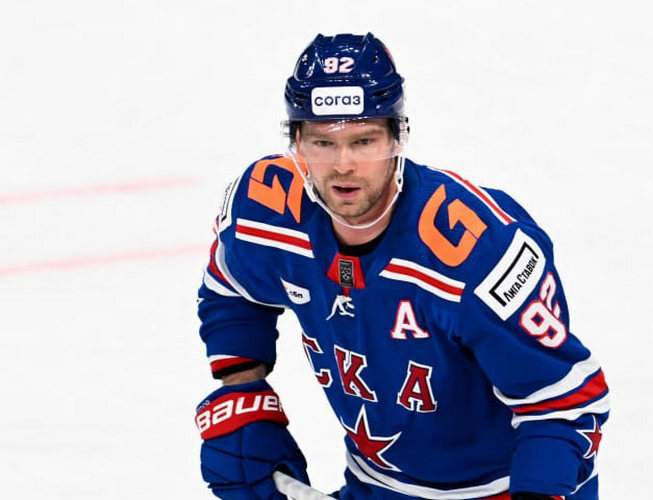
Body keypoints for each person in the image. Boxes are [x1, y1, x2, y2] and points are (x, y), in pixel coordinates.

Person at [194, 33, 610, 500]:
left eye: (364, 141)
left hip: (505, 488)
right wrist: (242, 389)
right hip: (375, 485)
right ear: (296, 144)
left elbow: (563, 405)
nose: (344, 165)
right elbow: (230, 288)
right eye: (323, 142)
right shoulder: (266, 210)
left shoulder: (476, 250)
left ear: (398, 138)